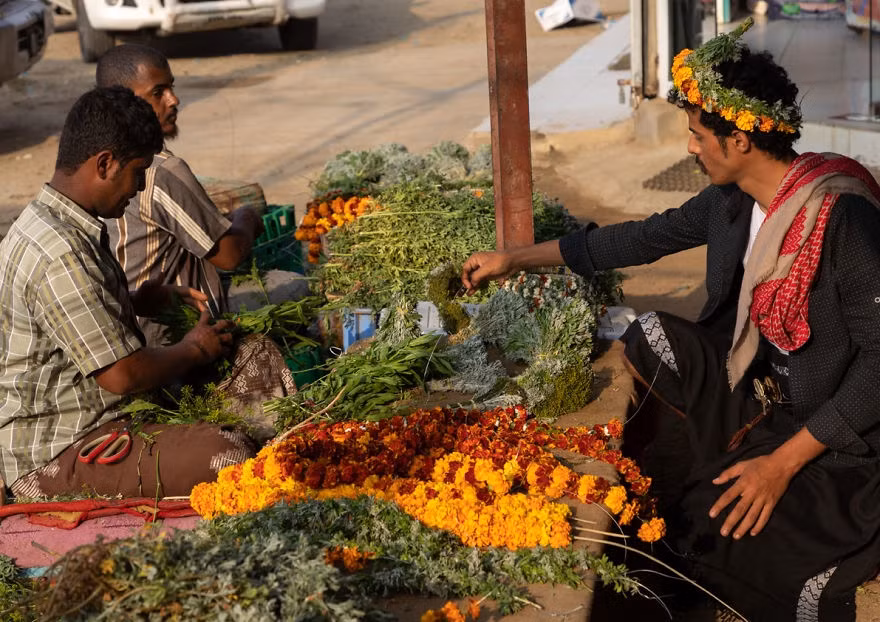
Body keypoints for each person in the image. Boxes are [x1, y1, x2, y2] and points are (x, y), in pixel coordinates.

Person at [462, 19, 880, 621]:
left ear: (739, 141)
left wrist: (782, 463)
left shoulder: (844, 220)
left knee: (721, 534)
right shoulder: (731, 202)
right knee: (650, 340)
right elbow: (641, 238)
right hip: (766, 401)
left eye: (697, 134)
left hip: (838, 438)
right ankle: (727, 461)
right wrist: (515, 258)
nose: (689, 148)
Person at [0, 87, 256, 502]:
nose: (137, 187)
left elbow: (62, 319)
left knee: (250, 356)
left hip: (91, 415)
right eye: (137, 172)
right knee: (227, 456)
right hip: (61, 449)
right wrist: (194, 349)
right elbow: (123, 375)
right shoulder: (61, 251)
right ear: (104, 164)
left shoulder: (48, 220)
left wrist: (136, 300)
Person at [95, 44, 265, 346]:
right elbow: (229, 255)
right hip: (170, 338)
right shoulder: (162, 169)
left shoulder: (98, 158)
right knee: (289, 289)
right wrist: (246, 216)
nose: (174, 100)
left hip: (125, 328)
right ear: (124, 103)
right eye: (158, 92)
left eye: (172, 88)